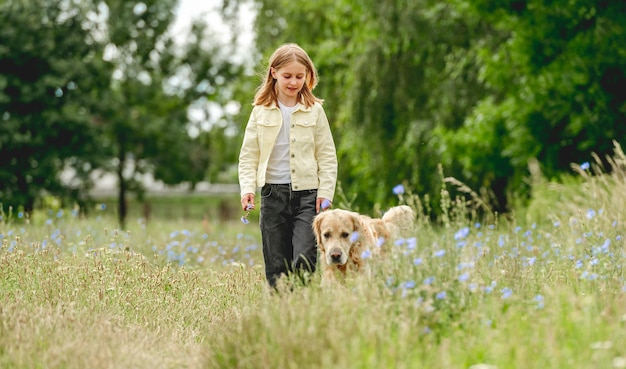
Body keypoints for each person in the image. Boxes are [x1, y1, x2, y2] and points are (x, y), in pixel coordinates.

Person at [238, 43, 338, 287]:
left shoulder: (315, 111)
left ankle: (301, 306)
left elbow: (327, 156)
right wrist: (247, 189)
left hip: (308, 197)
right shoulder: (260, 111)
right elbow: (248, 156)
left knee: (305, 257)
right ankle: (283, 311)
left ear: (307, 77)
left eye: (299, 77)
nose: (293, 82)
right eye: (287, 76)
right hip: (273, 195)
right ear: (273, 73)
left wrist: (325, 194)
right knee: (276, 264)